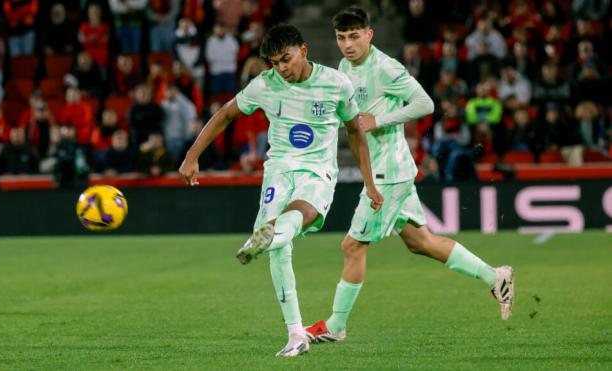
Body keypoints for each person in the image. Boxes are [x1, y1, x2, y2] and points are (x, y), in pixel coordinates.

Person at [304, 7, 515, 344]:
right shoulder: (345, 67)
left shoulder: (386, 67)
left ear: (369, 34)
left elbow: (425, 103)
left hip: (390, 172)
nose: (347, 44)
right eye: (342, 38)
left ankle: (335, 327)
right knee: (421, 242)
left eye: (354, 36)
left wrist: (380, 120)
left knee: (352, 246)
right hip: (387, 168)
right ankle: (496, 276)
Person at [178, 23, 382, 357]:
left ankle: (267, 235)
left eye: (285, 59)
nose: (281, 68)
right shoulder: (265, 85)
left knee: (303, 214)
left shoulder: (335, 84)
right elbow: (226, 114)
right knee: (279, 249)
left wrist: (370, 183)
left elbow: (355, 133)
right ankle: (295, 334)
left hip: (317, 171)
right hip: (278, 171)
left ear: (304, 50)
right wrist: (191, 156)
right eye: (274, 63)